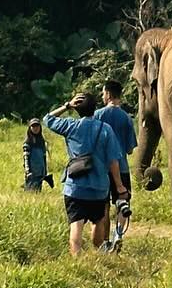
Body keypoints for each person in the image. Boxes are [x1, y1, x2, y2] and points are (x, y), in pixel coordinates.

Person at [44, 91, 127, 257]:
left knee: (76, 225)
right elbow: (113, 161)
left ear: (77, 109)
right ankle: (99, 251)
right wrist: (119, 185)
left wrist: (67, 105)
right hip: (99, 187)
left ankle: (77, 261)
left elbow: (47, 119)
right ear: (95, 108)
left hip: (75, 187)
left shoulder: (71, 125)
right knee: (98, 222)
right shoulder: (105, 129)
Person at [95, 77, 138, 243]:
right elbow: (129, 149)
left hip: (101, 169)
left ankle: (105, 240)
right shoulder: (126, 118)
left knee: (103, 204)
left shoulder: (98, 115)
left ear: (107, 94)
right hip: (122, 167)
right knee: (122, 202)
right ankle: (118, 235)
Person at [22, 118, 53, 192]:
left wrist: (45, 171)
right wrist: (27, 171)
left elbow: (44, 157)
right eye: (33, 126)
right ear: (30, 128)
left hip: (40, 173)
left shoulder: (42, 142)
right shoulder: (28, 142)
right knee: (30, 192)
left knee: (38, 192)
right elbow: (26, 158)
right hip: (31, 173)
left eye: (37, 126)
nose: (35, 128)